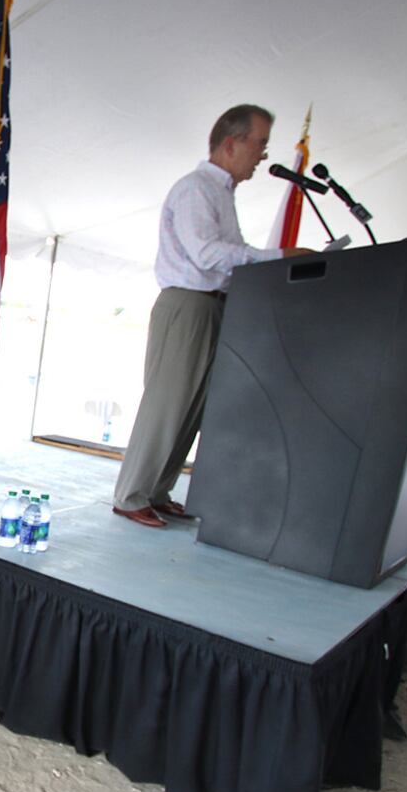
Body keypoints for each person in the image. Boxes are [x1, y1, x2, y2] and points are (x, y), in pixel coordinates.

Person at [112, 104, 312, 528]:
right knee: (168, 401)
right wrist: (277, 256)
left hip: (214, 305)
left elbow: (224, 259)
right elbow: (206, 254)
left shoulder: (220, 193)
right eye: (259, 144)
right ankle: (130, 495)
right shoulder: (196, 189)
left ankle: (157, 490)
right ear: (230, 143)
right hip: (187, 304)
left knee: (193, 404)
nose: (261, 155)